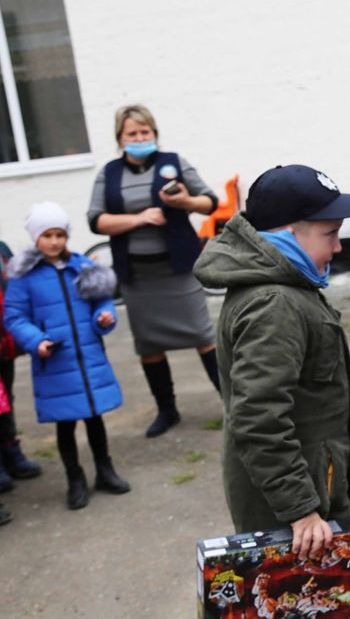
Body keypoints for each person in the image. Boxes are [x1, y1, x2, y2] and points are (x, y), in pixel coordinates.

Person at [193, 164, 350, 559]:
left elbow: (320, 388)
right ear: (289, 235)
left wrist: (348, 451)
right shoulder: (274, 304)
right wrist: (301, 510)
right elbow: (259, 417)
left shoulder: (291, 286)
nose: (338, 247)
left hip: (315, 477)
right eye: (331, 234)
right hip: (292, 508)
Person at [87, 104, 221, 438]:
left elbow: (210, 202)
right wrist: (139, 219)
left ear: (154, 133)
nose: (139, 137)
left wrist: (184, 202)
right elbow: (96, 219)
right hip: (138, 274)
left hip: (178, 269)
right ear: (120, 138)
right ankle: (167, 410)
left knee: (203, 336)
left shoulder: (173, 162)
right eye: (132, 133)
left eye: (145, 131)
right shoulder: (109, 172)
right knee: (149, 345)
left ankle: (232, 402)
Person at [4, 202, 131, 510]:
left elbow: (101, 302)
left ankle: (105, 470)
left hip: (88, 359)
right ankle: (75, 478)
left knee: (94, 417)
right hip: (55, 361)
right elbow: (14, 316)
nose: (54, 241)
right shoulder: (24, 276)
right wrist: (36, 341)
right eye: (47, 235)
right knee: (65, 423)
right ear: (36, 238)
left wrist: (104, 317)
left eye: (60, 234)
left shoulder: (82, 267)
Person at [0, 238, 43, 498]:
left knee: (6, 399)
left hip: (4, 342)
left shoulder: (3, 250)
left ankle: (11, 451)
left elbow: (18, 286)